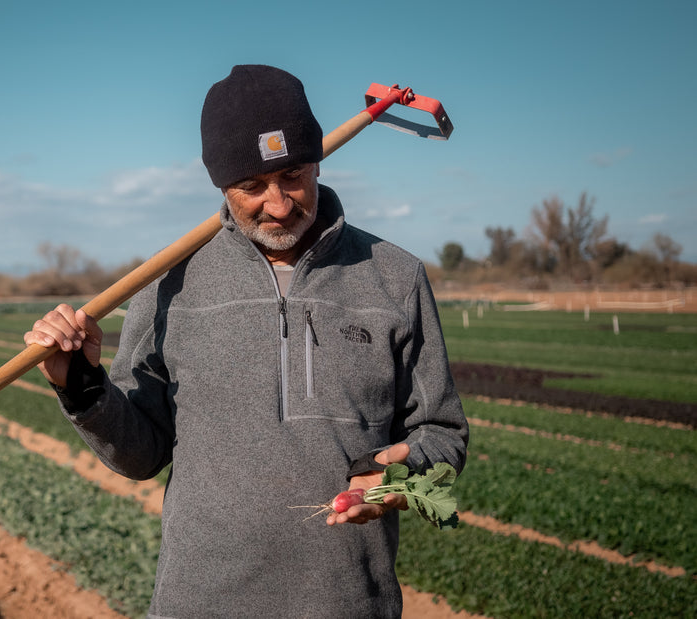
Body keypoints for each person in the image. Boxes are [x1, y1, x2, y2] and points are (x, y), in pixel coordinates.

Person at [24, 64, 469, 618]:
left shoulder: (395, 277)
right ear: (220, 185)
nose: (279, 204)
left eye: (294, 175)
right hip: (203, 602)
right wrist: (82, 385)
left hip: (350, 603)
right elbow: (140, 456)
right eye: (252, 186)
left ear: (318, 162)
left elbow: (442, 432)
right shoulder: (167, 284)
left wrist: (402, 477)